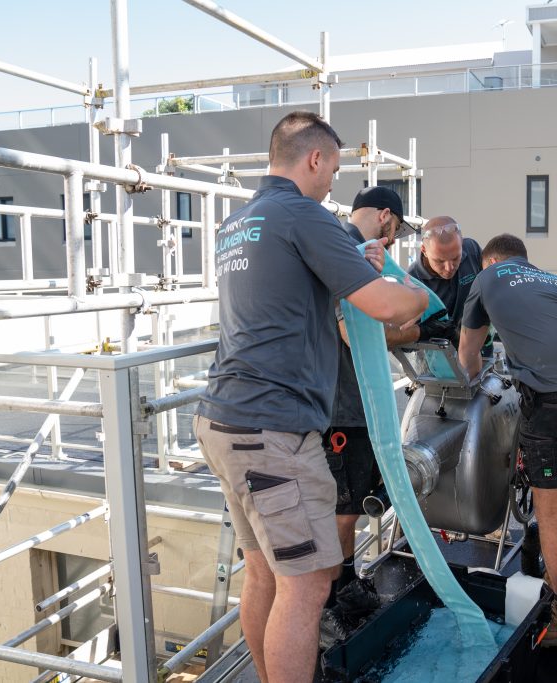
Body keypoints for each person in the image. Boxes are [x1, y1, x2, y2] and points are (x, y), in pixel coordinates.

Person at [194, 111, 428, 683]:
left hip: (224, 418)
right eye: (334, 170)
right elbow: (389, 308)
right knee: (309, 583)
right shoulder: (304, 213)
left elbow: (288, 298)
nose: (333, 186)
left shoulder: (239, 221)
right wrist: (419, 297)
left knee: (264, 575)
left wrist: (354, 265)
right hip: (274, 429)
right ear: (315, 159)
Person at [457, 233, 557, 653]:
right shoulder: (556, 281)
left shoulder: (487, 277)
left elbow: (468, 352)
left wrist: (472, 386)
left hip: (556, 400)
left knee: (549, 516)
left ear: (491, 259)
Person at [319, 185, 419, 644]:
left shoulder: (343, 246)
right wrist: (406, 325)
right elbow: (348, 330)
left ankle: (344, 585)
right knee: (341, 510)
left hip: (347, 404)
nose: (394, 241)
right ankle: (332, 601)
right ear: (384, 216)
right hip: (341, 408)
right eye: (396, 229)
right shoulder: (347, 249)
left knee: (349, 506)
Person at [400, 217, 487, 352]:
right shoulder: (411, 280)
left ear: (461, 245)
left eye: (455, 258)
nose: (449, 268)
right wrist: (426, 331)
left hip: (480, 347)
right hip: (438, 362)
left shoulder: (472, 250)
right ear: (424, 250)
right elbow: (405, 346)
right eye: (440, 261)